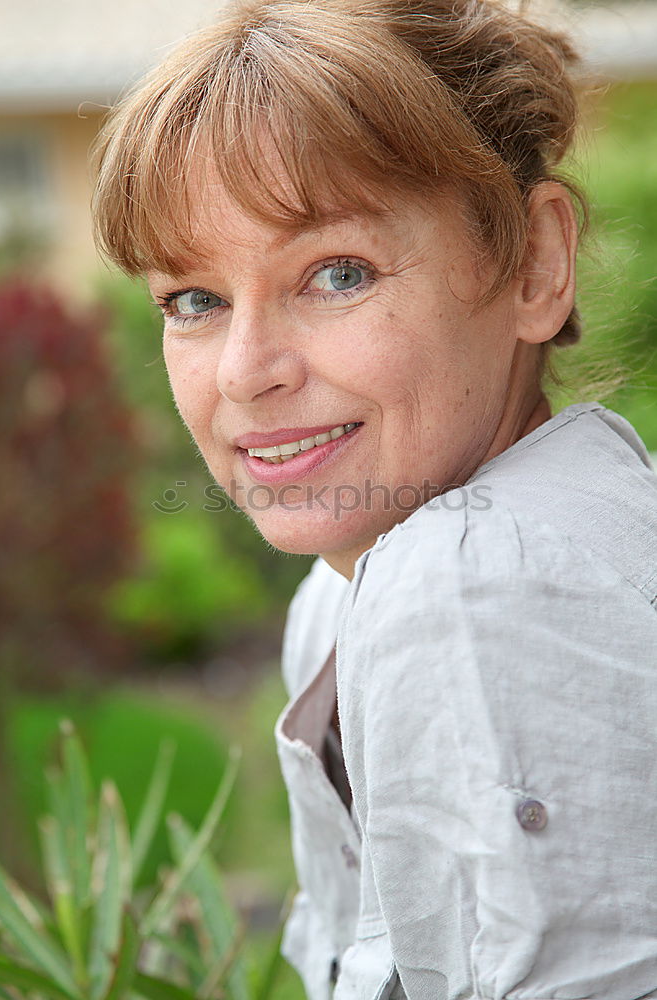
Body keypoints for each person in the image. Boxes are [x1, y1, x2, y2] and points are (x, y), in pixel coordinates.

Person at [91, 0, 657, 996]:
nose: (244, 372)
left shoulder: (475, 579)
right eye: (194, 300)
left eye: (336, 274)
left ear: (534, 263)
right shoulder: (353, 591)